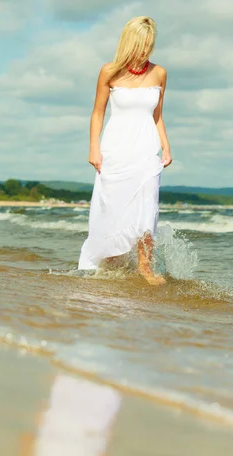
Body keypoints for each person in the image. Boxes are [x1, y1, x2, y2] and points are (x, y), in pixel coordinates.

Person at [78, 16, 172, 285]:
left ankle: (145, 267)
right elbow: (98, 113)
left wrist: (166, 147)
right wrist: (94, 149)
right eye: (140, 45)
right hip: (115, 150)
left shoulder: (160, 73)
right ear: (129, 43)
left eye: (149, 45)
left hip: (146, 150)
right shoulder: (109, 71)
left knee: (147, 207)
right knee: (113, 210)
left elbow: (157, 116)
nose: (144, 51)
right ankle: (110, 263)